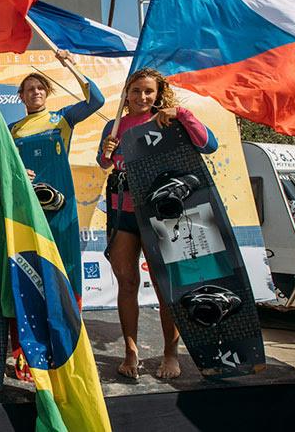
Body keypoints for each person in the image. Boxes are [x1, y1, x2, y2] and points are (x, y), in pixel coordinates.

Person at [97, 67, 218, 380]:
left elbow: (209, 144)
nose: (142, 97)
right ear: (126, 94)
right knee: (127, 283)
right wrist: (107, 153)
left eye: (148, 91)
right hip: (124, 212)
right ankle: (131, 352)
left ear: (158, 93)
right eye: (135, 91)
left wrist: (182, 113)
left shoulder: (168, 118)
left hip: (162, 214)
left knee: (167, 287)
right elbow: (107, 164)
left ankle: (169, 354)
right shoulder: (115, 125)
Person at [9, 51, 105, 303]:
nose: (36, 92)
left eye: (40, 87)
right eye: (29, 89)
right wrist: (19, 174)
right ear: (21, 96)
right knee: (31, 260)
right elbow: (4, 169)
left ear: (47, 92)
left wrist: (71, 65)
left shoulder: (63, 117)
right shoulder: (12, 130)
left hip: (61, 202)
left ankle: (70, 319)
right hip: (26, 203)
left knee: (65, 259)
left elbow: (96, 100)